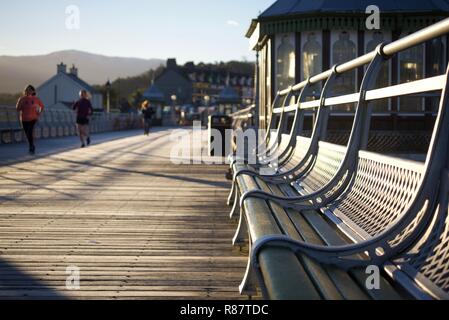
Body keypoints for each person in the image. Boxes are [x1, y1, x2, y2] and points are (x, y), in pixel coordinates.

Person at [16, 85, 44, 155]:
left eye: (29, 90)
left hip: (33, 118)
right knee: (27, 133)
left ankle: (31, 147)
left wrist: (38, 112)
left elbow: (42, 106)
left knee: (30, 132)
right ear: (25, 91)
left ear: (32, 91)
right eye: (26, 90)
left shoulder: (36, 99)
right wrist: (21, 103)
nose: (28, 91)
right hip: (24, 119)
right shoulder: (21, 99)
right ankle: (31, 145)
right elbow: (17, 109)